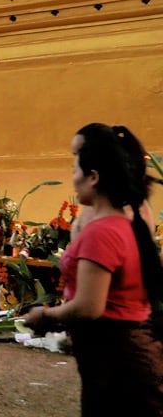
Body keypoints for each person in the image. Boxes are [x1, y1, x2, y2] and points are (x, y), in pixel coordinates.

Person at [24, 123, 163, 415]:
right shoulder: (122, 223)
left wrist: (45, 316)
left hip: (117, 355)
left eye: (76, 167)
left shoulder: (104, 231)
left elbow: (90, 306)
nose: (73, 179)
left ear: (94, 176)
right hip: (118, 354)